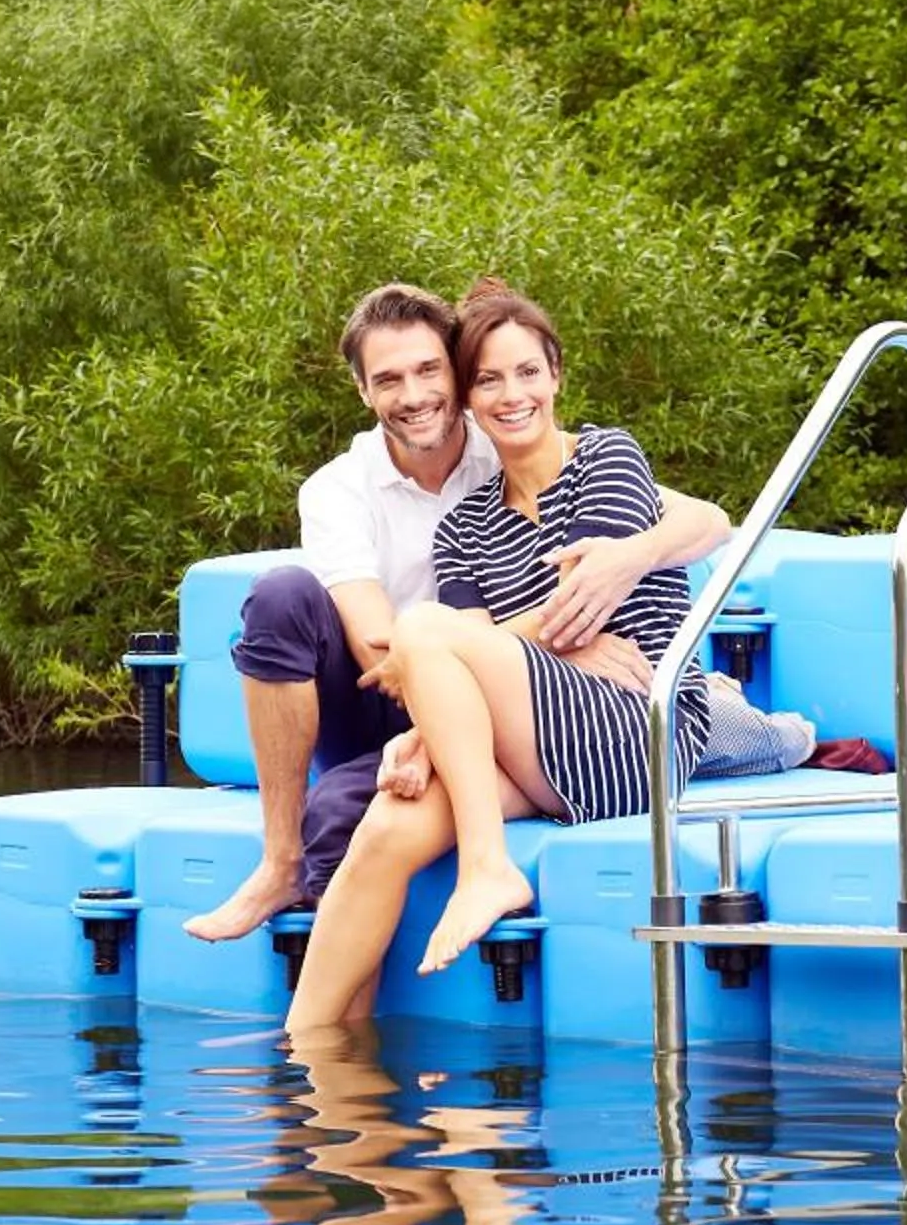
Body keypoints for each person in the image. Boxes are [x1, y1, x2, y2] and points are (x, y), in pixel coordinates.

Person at [185, 283, 817, 947]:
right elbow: (390, 659)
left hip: (504, 705)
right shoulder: (338, 490)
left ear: (456, 381)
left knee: (346, 810)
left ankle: (753, 726)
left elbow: (706, 519)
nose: (414, 394)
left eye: (429, 371)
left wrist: (628, 557)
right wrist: (556, 640)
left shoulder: (507, 436)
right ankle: (280, 862)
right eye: (389, 379)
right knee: (281, 593)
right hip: (396, 695)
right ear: (362, 392)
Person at [285, 283, 719, 1029]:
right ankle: (316, 1059)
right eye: (488, 379)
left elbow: (579, 611)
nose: (511, 394)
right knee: (390, 820)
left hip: (636, 735)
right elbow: (462, 667)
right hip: (541, 744)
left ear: (556, 377)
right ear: (468, 397)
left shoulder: (609, 457)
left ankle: (488, 865)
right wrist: (426, 732)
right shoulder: (464, 528)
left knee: (421, 628)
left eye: (526, 372)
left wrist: (625, 562)